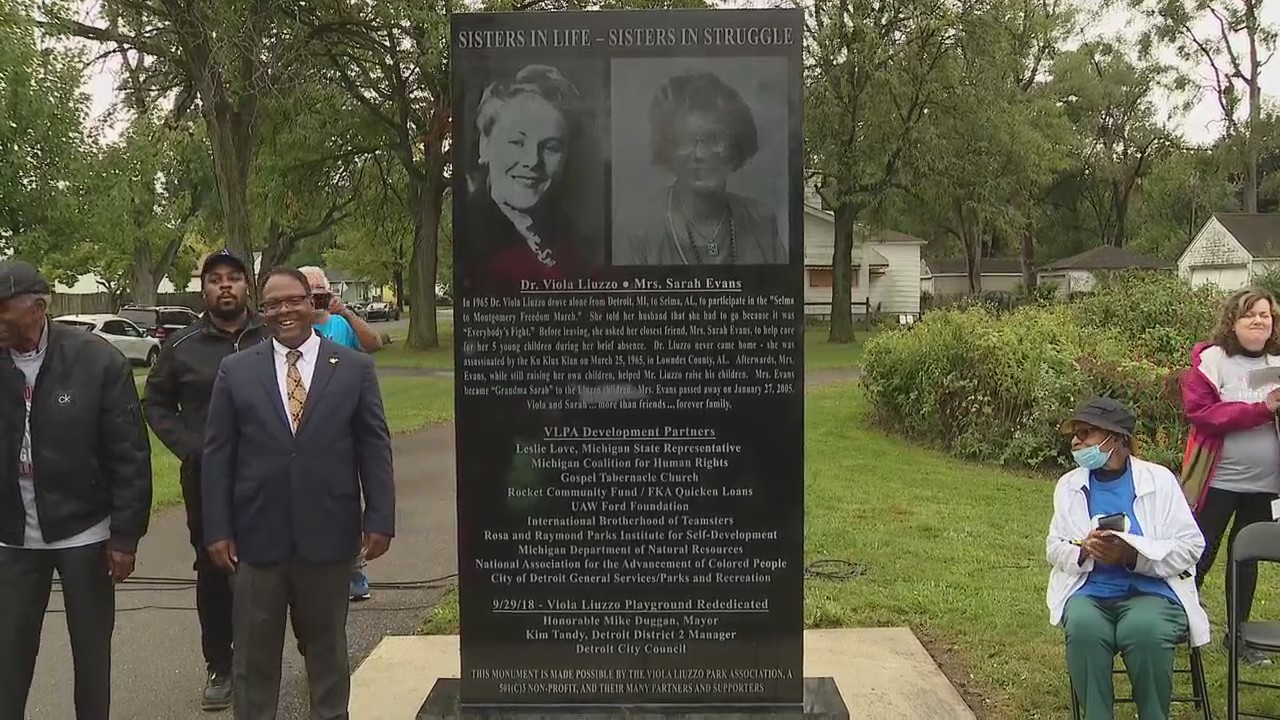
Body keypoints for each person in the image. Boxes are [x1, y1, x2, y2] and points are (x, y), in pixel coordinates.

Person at [202, 265, 395, 719]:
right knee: (254, 657)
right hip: (256, 538)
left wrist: (380, 518)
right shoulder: (236, 371)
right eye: (272, 305)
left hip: (328, 534)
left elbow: (373, 446)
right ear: (261, 312)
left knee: (327, 649)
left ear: (313, 304)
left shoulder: (353, 368)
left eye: (293, 301)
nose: (284, 311)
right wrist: (218, 530)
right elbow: (218, 456)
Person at [0, 259, 153, 719]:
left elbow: (129, 453)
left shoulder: (96, 359)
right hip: (12, 534)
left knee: (90, 653)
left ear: (36, 308)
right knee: (8, 654)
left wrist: (125, 537)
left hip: (85, 531)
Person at [142, 249, 269, 709]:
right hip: (207, 478)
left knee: (276, 565)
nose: (226, 286)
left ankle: (275, 660)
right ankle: (220, 664)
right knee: (215, 569)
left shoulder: (271, 336)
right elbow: (155, 403)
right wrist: (190, 446)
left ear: (247, 286)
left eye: (234, 278)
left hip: (269, 476)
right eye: (215, 280)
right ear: (204, 290)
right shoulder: (181, 346)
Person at [1047, 396, 1209, 720]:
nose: (1076, 442)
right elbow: (1054, 546)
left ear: (1116, 438)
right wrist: (1083, 550)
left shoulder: (1159, 481)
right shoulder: (1069, 485)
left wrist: (1133, 558)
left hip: (1153, 593)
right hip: (1091, 594)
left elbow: (1192, 546)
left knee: (1144, 629)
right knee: (1082, 627)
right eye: (1075, 434)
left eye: (1086, 433)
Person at [1178, 286, 1280, 666]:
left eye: (1265, 315)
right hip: (1216, 481)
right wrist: (1261, 409)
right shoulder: (1211, 361)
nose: (1258, 320)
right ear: (1232, 322)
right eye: (1249, 314)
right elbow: (1203, 414)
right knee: (1197, 551)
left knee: (1246, 557)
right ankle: (1181, 621)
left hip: (1266, 486)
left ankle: (1239, 637)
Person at [615, 70, 785, 266]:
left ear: (736, 147)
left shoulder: (761, 222)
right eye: (686, 140)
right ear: (668, 148)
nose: (700, 154)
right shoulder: (638, 228)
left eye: (714, 139)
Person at [457, 64, 593, 292]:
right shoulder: (469, 241)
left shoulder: (574, 241)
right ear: (485, 145)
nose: (532, 161)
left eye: (551, 147)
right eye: (517, 142)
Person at [298, 266, 380, 602]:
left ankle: (353, 569)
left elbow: (373, 344)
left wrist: (343, 309)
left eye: (321, 294)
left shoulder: (339, 324)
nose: (316, 302)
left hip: (340, 426)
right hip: (303, 428)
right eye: (310, 294)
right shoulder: (291, 331)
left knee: (343, 500)